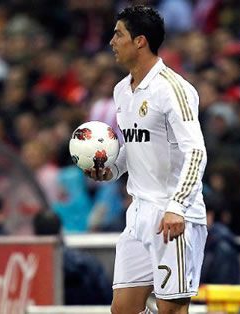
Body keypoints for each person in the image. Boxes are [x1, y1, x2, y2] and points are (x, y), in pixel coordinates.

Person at [84, 5, 208, 314]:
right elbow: (133, 147)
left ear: (140, 41)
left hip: (172, 215)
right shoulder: (121, 91)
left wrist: (176, 206)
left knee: (172, 309)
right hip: (138, 213)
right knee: (122, 309)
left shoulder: (173, 89)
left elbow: (196, 150)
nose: (111, 41)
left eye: (118, 34)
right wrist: (110, 170)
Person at [32, 210, 113, 305]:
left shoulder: (29, 270)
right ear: (61, 230)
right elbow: (107, 299)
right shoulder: (89, 264)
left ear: (35, 233)